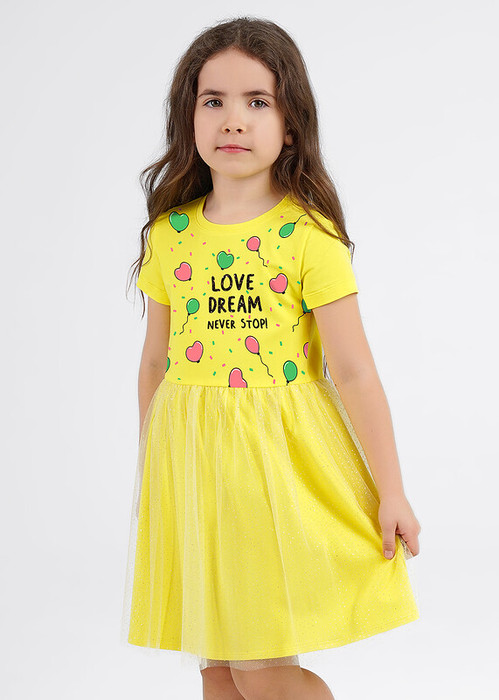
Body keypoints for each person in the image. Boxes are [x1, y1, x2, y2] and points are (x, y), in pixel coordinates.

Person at [120, 16, 421, 700]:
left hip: (274, 468)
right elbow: (155, 363)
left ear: (290, 125)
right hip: (193, 466)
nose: (233, 119)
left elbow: (353, 371)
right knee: (218, 672)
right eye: (214, 100)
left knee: (261, 670)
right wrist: (155, 469)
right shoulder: (169, 235)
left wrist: (392, 489)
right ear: (188, 118)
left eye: (257, 101)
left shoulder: (308, 235)